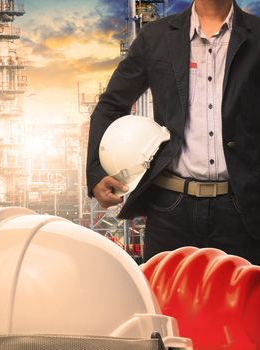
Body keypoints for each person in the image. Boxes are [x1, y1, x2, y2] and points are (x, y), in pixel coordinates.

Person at [86, 0, 260, 264]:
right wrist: (97, 171)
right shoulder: (155, 37)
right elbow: (111, 105)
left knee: (246, 304)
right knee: (163, 304)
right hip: (171, 211)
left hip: (242, 211)